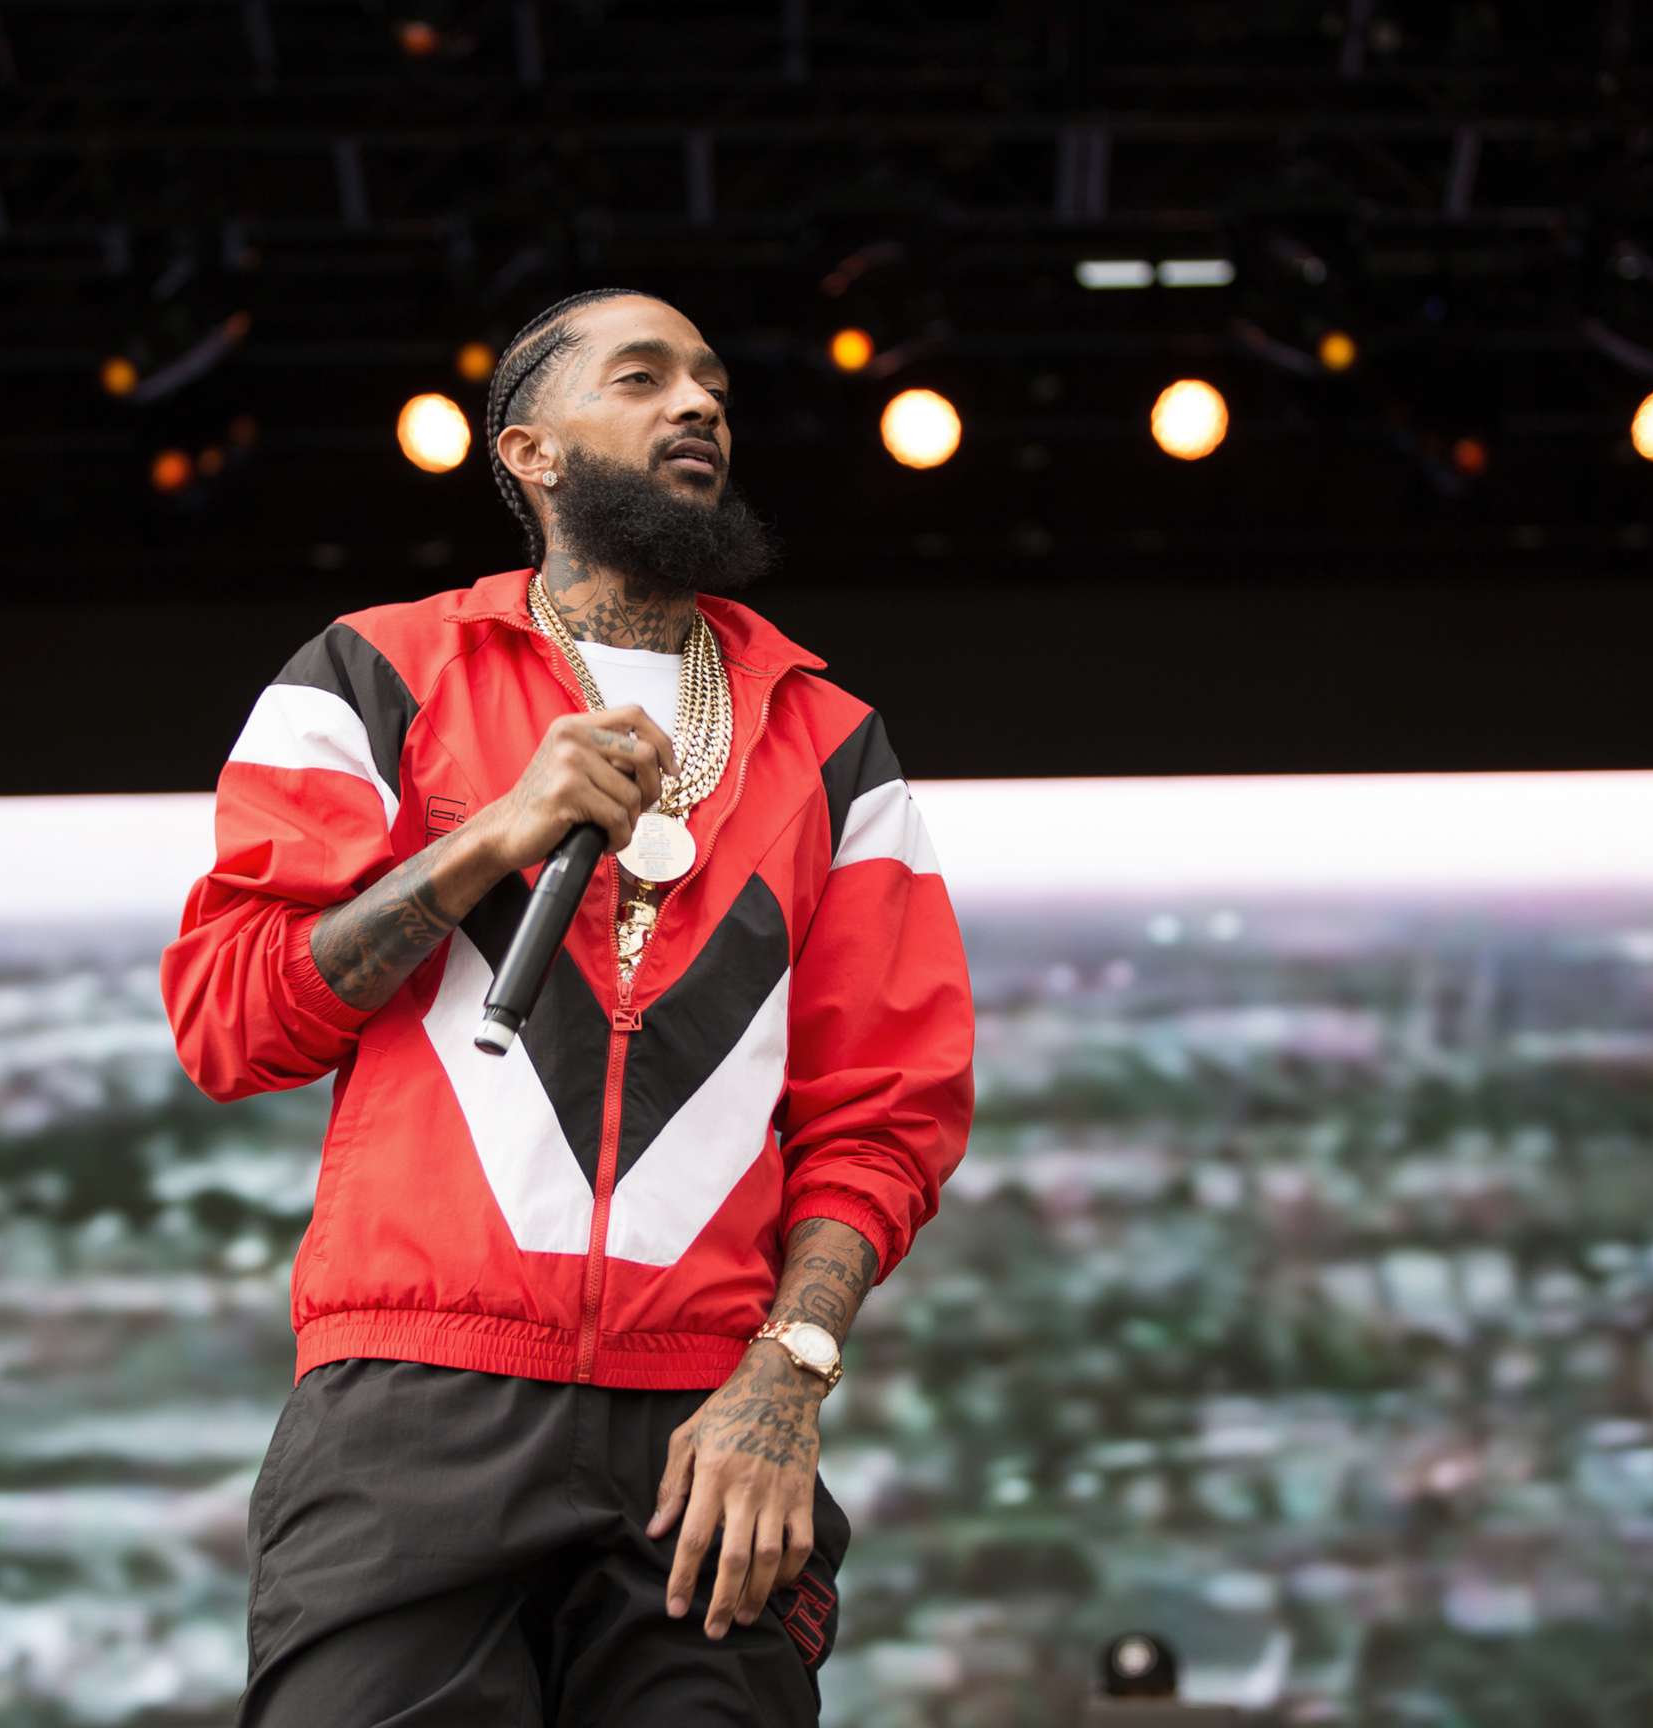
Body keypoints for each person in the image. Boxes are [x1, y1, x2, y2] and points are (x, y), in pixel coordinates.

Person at [161, 286, 975, 1725]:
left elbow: (886, 1118)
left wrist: (785, 1385)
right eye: (645, 377)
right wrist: (486, 836)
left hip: (707, 1437)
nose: (699, 406)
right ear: (530, 452)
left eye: (713, 384)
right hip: (412, 1408)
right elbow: (232, 1019)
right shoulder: (369, 677)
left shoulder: (838, 749)